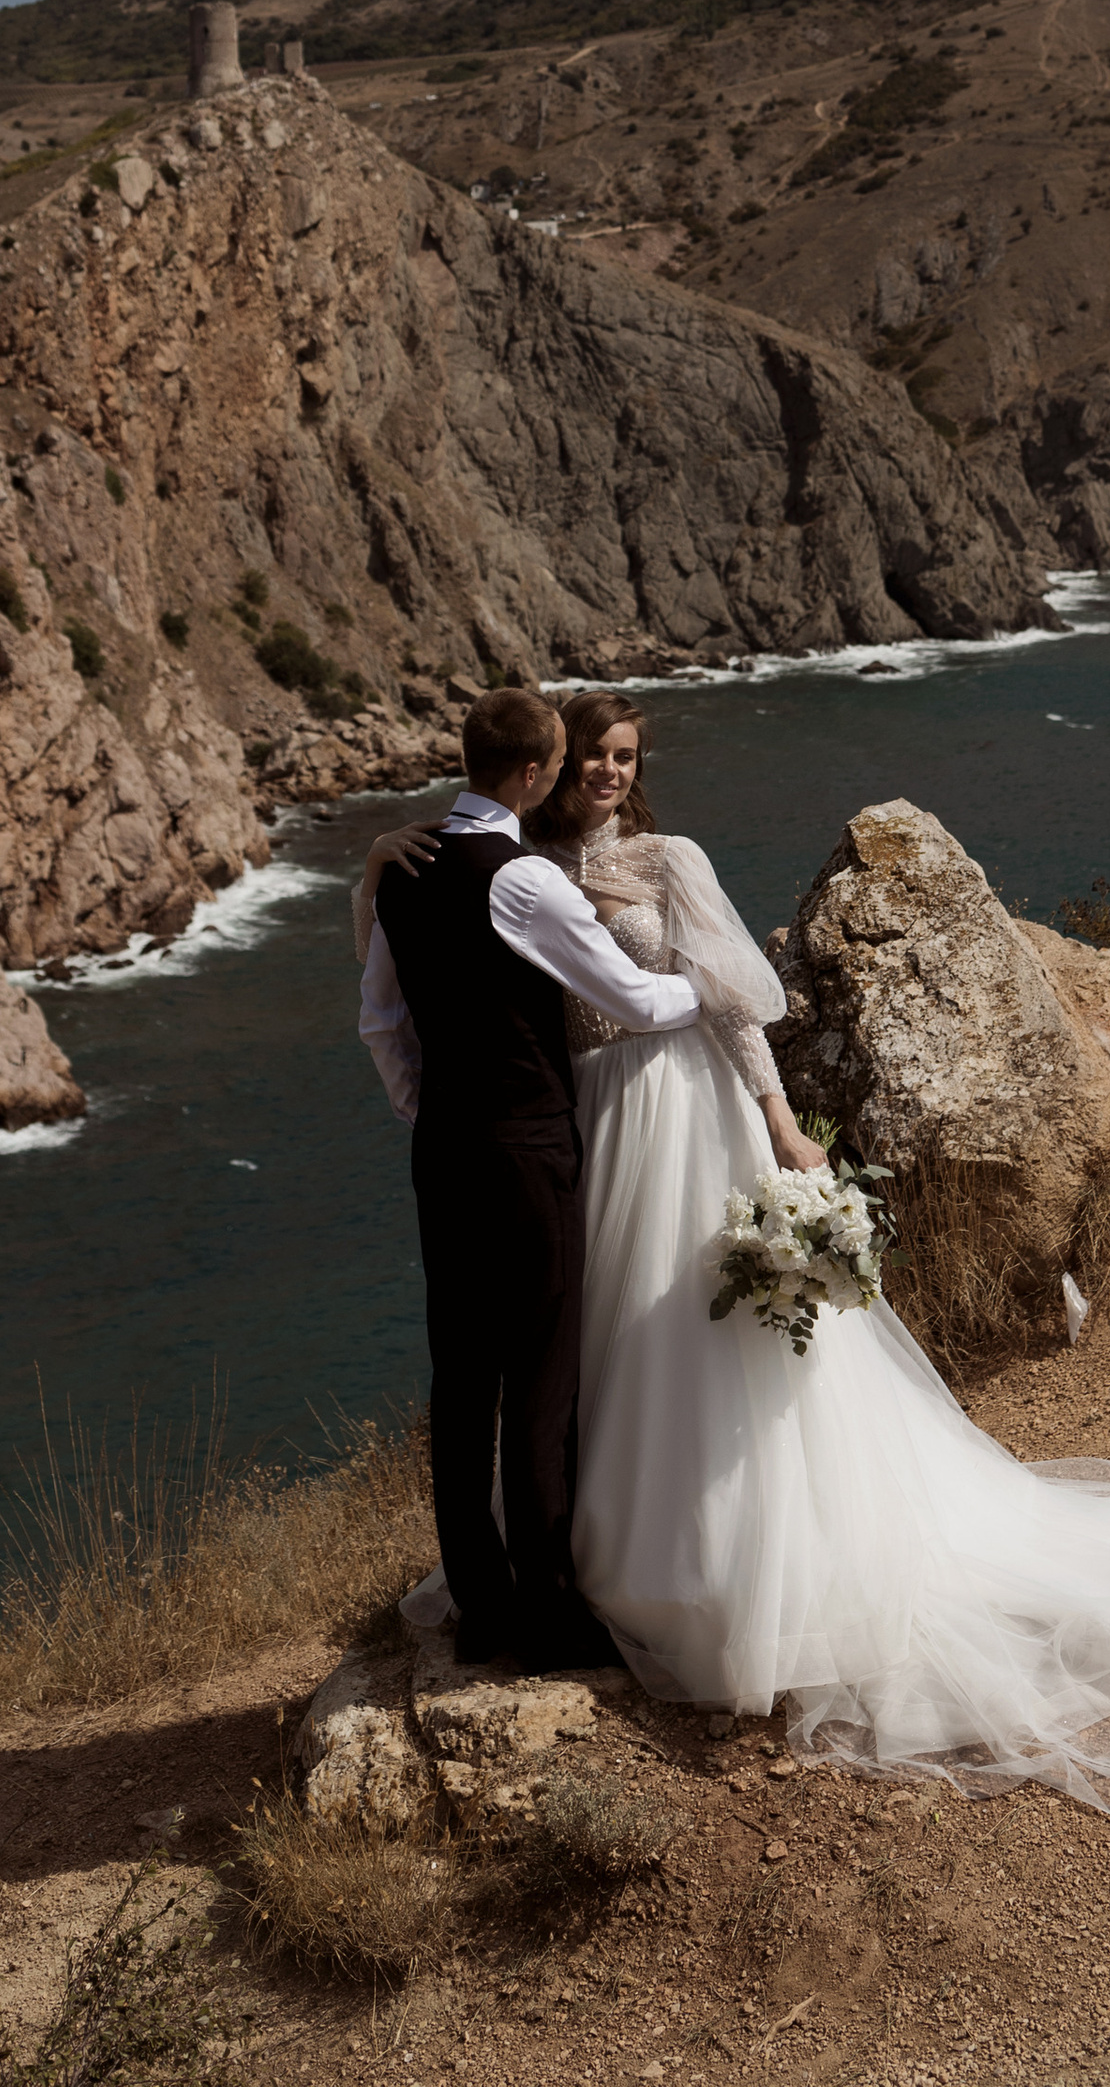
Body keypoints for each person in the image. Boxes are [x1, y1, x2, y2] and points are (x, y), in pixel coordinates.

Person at [356, 692, 1110, 1805]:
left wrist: (777, 1122)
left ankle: (685, 1569)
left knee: (670, 1338)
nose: (611, 777)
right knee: (592, 1354)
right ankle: (572, 1567)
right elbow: (483, 969)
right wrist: (384, 864)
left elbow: (731, 1001)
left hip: (681, 1112)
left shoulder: (664, 861)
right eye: (593, 759)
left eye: (628, 760)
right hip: (588, 1124)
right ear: (548, 768)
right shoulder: (521, 871)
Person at [355, 684, 701, 1672]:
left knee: (462, 1381)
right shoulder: (524, 882)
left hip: (444, 1155)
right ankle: (548, 1615)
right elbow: (631, 997)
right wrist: (714, 985)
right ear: (534, 772)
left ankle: (483, 1611)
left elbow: (381, 1024)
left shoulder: (404, 870)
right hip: (526, 1150)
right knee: (543, 1378)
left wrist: (436, 1113)